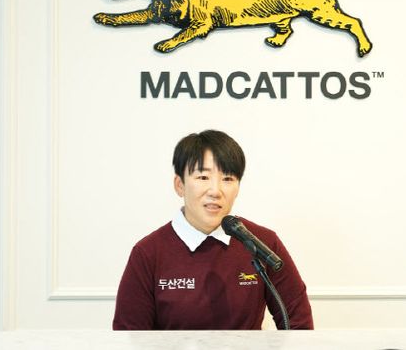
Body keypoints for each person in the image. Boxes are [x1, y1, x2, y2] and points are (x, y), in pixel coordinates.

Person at [112, 130, 313, 330]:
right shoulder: (148, 253)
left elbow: (299, 325)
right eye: (203, 177)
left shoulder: (263, 242)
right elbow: (129, 337)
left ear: (238, 187)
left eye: (228, 179)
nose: (215, 191)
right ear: (180, 185)